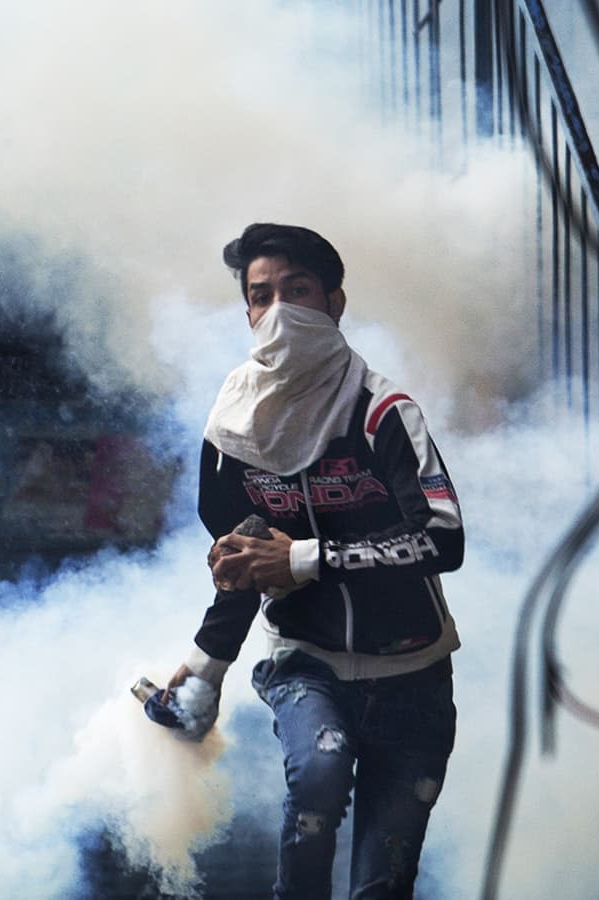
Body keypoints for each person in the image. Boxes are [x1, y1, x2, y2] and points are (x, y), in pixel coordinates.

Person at [165, 223, 462, 898]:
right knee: (319, 778)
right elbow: (245, 560)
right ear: (246, 312)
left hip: (413, 675)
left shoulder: (385, 412)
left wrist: (307, 558)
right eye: (261, 296)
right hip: (305, 662)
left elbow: (444, 539)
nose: (279, 312)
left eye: (297, 292)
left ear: (334, 303)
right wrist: (207, 669)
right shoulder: (232, 426)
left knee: (383, 882)